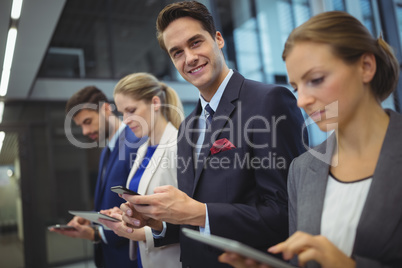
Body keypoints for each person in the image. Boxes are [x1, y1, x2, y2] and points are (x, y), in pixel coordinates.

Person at [119, 1, 307, 267]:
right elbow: (195, 222)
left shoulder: (269, 101)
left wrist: (200, 213)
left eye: (195, 43)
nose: (189, 58)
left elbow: (287, 212)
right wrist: (159, 222)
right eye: (177, 53)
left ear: (218, 39)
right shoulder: (187, 127)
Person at [219, 11, 402, 268]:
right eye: (296, 87)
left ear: (366, 67)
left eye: (315, 80)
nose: (302, 100)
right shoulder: (302, 169)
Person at [50, 86, 143, 268]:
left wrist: (95, 233)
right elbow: (113, 203)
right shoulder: (106, 152)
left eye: (87, 121)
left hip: (128, 258)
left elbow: (141, 209)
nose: (84, 131)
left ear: (106, 109)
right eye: (81, 126)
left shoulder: (134, 143)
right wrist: (93, 219)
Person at [99, 72, 183, 268]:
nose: (125, 120)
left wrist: (138, 232)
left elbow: (189, 219)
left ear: (155, 103)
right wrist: (127, 216)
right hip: (143, 260)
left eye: (131, 110)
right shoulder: (143, 149)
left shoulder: (179, 147)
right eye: (122, 113)